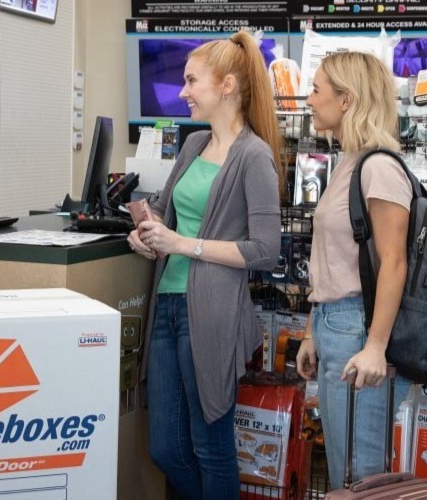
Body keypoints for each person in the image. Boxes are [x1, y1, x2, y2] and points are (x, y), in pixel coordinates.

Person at [127, 30, 283, 499]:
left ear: (228, 86)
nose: (183, 91)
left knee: (211, 447)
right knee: (167, 449)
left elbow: (264, 250)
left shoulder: (254, 156)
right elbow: (161, 208)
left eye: (192, 81)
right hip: (167, 310)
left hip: (209, 316)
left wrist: (180, 242)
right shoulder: (193, 145)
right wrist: (147, 231)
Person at [295, 52, 413, 489]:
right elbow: (337, 259)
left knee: (362, 476)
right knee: (346, 470)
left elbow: (394, 263)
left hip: (359, 328)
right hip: (336, 325)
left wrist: (376, 346)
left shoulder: (378, 167)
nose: (308, 99)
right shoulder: (349, 164)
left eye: (317, 89)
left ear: (346, 100)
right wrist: (311, 331)